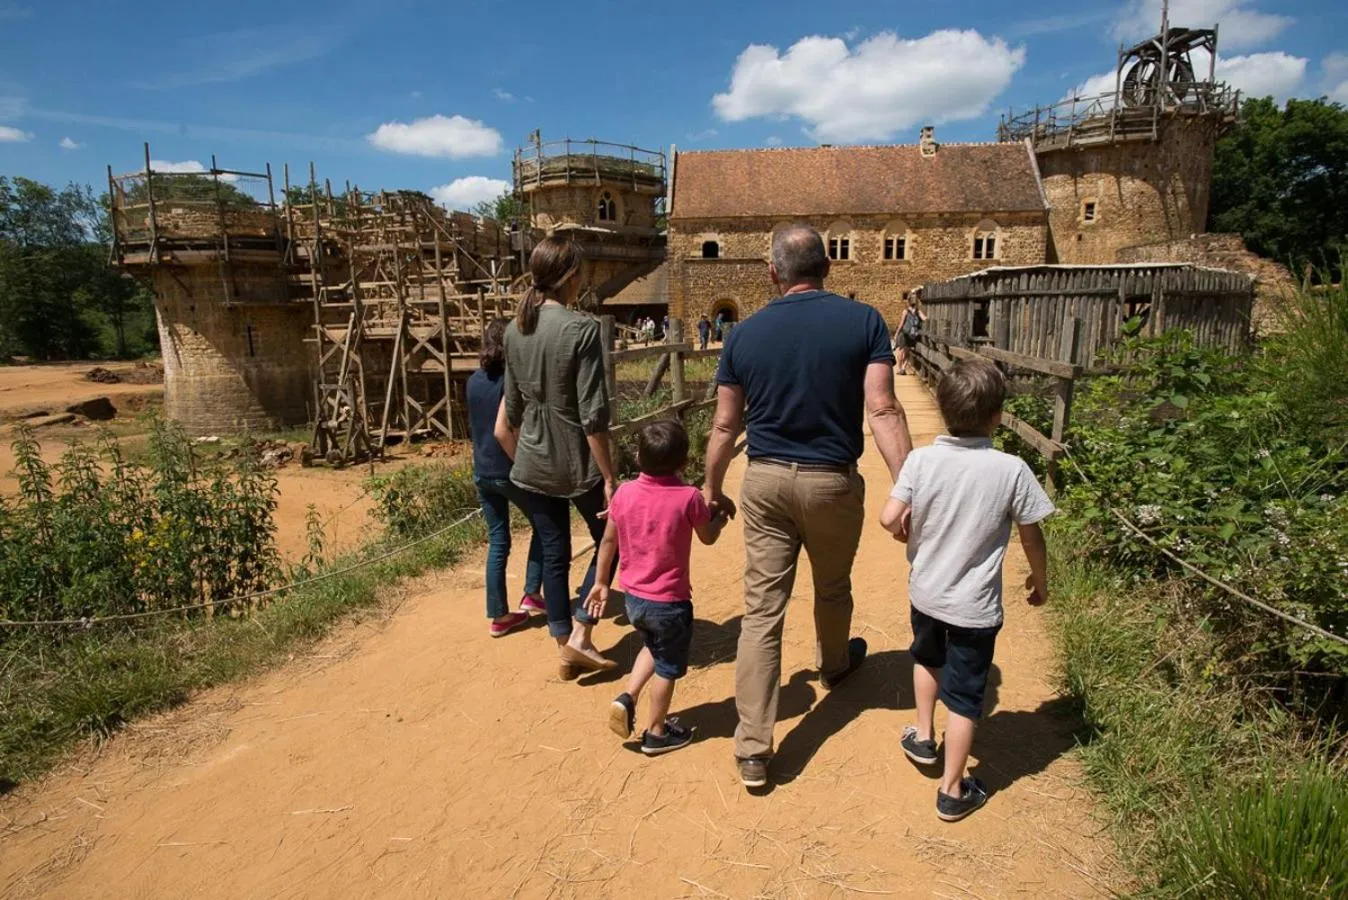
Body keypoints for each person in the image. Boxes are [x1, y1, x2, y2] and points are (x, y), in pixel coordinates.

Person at [703, 224, 914, 789]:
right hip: (831, 482)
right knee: (832, 585)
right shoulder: (863, 320)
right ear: (827, 267)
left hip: (766, 481)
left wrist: (711, 486)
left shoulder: (743, 335)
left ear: (773, 273)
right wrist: (910, 485)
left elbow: (726, 422)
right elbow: (884, 409)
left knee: (763, 610)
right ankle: (835, 662)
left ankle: (752, 747)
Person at [879, 358, 1053, 822]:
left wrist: (904, 532)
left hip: (926, 594)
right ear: (997, 416)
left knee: (926, 659)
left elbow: (887, 517)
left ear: (942, 405)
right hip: (974, 607)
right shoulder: (1011, 470)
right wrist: (1040, 579)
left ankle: (922, 735)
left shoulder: (920, 460)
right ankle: (953, 789)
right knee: (965, 696)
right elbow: (1033, 537)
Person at [498, 236, 619, 678]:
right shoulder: (582, 329)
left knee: (554, 551)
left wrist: (522, 457)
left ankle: (561, 642)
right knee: (613, 536)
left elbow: (511, 412)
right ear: (571, 277)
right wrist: (609, 476)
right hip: (576, 460)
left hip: (531, 459)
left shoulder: (515, 330)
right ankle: (582, 634)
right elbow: (592, 416)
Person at [586, 420, 727, 755]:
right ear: (682, 463)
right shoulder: (689, 497)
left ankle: (628, 696)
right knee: (667, 667)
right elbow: (707, 537)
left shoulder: (624, 494)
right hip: (670, 602)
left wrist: (602, 582)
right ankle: (657, 732)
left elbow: (608, 540)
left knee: (653, 645)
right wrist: (718, 518)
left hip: (634, 598)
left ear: (637, 457)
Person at [467, 318, 545, 637]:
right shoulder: (509, 381)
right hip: (508, 468)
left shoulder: (472, 380)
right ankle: (532, 594)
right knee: (544, 523)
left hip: (482, 470)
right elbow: (506, 430)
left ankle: (498, 615)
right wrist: (523, 466)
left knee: (498, 541)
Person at [895, 292, 927, 376]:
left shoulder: (905, 311)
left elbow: (901, 324)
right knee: (907, 352)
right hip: (912, 335)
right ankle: (903, 368)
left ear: (909, 302)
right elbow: (925, 319)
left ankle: (899, 368)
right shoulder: (918, 311)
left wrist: (896, 333)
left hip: (904, 334)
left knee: (901, 351)